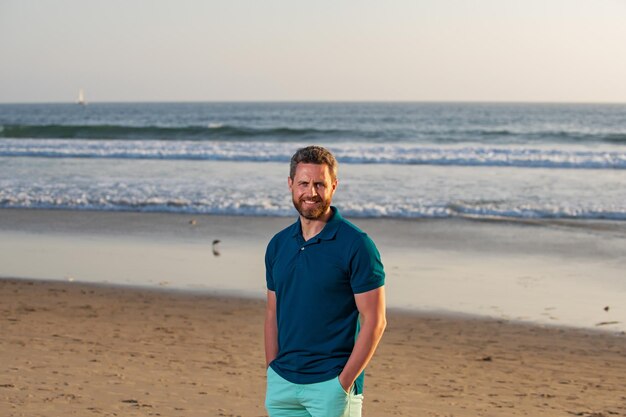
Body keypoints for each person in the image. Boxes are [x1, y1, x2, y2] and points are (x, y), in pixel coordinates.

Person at [264, 145, 386, 417]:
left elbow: (375, 321)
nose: (312, 192)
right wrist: (272, 368)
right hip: (283, 384)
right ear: (290, 185)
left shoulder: (357, 245)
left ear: (334, 186)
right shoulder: (278, 245)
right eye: (304, 183)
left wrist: (343, 382)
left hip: (331, 386)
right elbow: (272, 311)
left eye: (320, 184)